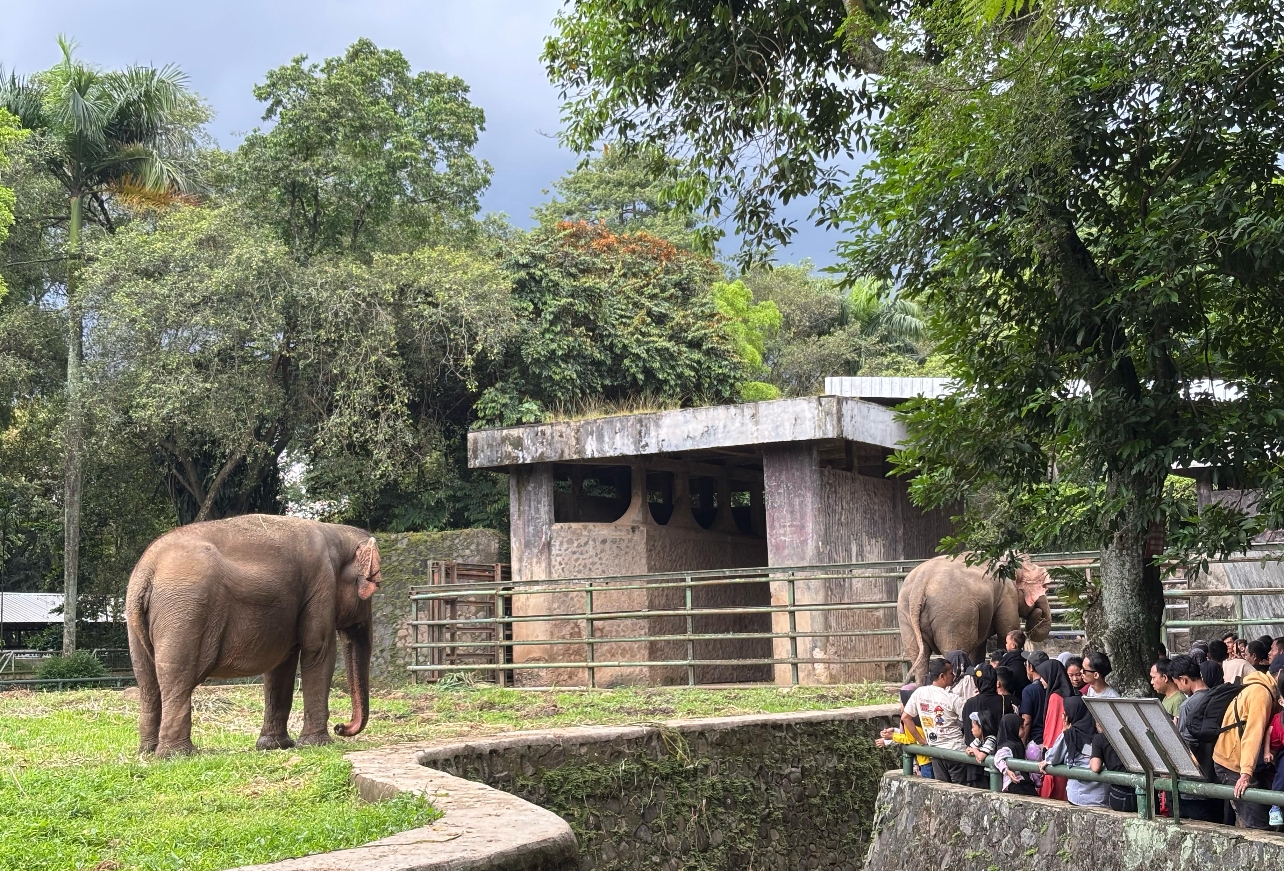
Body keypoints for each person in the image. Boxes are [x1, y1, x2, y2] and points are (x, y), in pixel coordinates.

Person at [1212, 639, 1281, 829]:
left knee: (1250, 819)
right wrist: (1246, 773)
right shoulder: (1261, 694)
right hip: (1233, 763)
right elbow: (1253, 734)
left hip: (1231, 758)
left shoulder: (1258, 687)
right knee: (1259, 826)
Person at [1170, 653, 1220, 823]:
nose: (1178, 687)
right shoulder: (1217, 697)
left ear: (1183, 679)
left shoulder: (1187, 706)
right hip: (1217, 780)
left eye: (1176, 683)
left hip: (1194, 786)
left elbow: (1186, 747)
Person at [905, 658, 969, 784]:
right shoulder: (953, 699)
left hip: (935, 751)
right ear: (942, 676)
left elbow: (905, 718)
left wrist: (921, 741)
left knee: (942, 790)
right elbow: (969, 721)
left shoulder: (919, 693)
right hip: (956, 751)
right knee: (960, 792)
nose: (954, 675)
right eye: (951, 673)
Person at [1041, 696, 1108, 807]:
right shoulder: (1100, 733)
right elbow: (1088, 751)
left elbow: (1053, 758)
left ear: (1069, 715)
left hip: (1079, 796)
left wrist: (1064, 730)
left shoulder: (1070, 735)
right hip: (1101, 796)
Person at [880, 683, 933, 778]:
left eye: (901, 702)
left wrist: (892, 736)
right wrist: (893, 733)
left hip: (925, 761)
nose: (900, 706)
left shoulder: (910, 720)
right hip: (928, 760)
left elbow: (910, 739)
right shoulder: (921, 715)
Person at [1090, 722, 1137, 813]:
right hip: (1146, 791)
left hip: (1120, 793)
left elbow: (1095, 767)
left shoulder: (1100, 738)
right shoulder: (1133, 733)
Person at [995, 712, 1038, 795]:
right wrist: (1006, 770)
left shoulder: (1018, 743)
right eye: (1021, 727)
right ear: (1012, 728)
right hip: (1015, 783)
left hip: (1024, 781)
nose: (1024, 729)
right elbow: (998, 758)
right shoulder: (1007, 746)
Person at [1019, 651, 1048, 749]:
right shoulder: (1053, 687)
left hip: (1035, 743)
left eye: (1026, 665)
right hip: (1050, 741)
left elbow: (1027, 720)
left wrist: (1022, 744)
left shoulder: (1029, 690)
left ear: (1031, 667)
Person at [964, 709, 999, 784]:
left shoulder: (991, 739)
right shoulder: (979, 739)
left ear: (981, 727)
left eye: (973, 727)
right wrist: (975, 751)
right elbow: (968, 749)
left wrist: (975, 751)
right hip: (983, 772)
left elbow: (980, 757)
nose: (971, 730)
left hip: (990, 775)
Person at [999, 630, 1031, 696]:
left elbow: (999, 669)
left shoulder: (1007, 657)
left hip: (1011, 687)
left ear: (1013, 645)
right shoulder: (1025, 656)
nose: (1006, 645)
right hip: (1024, 686)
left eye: (1007, 643)